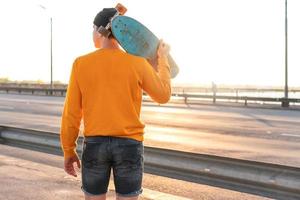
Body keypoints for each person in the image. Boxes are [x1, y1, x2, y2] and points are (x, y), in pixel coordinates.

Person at [60, 7, 171, 200]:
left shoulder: (81, 64)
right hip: (130, 145)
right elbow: (163, 95)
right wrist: (163, 60)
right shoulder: (137, 63)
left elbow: (72, 113)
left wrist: (68, 149)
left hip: (95, 145)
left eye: (92, 29)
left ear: (99, 30)